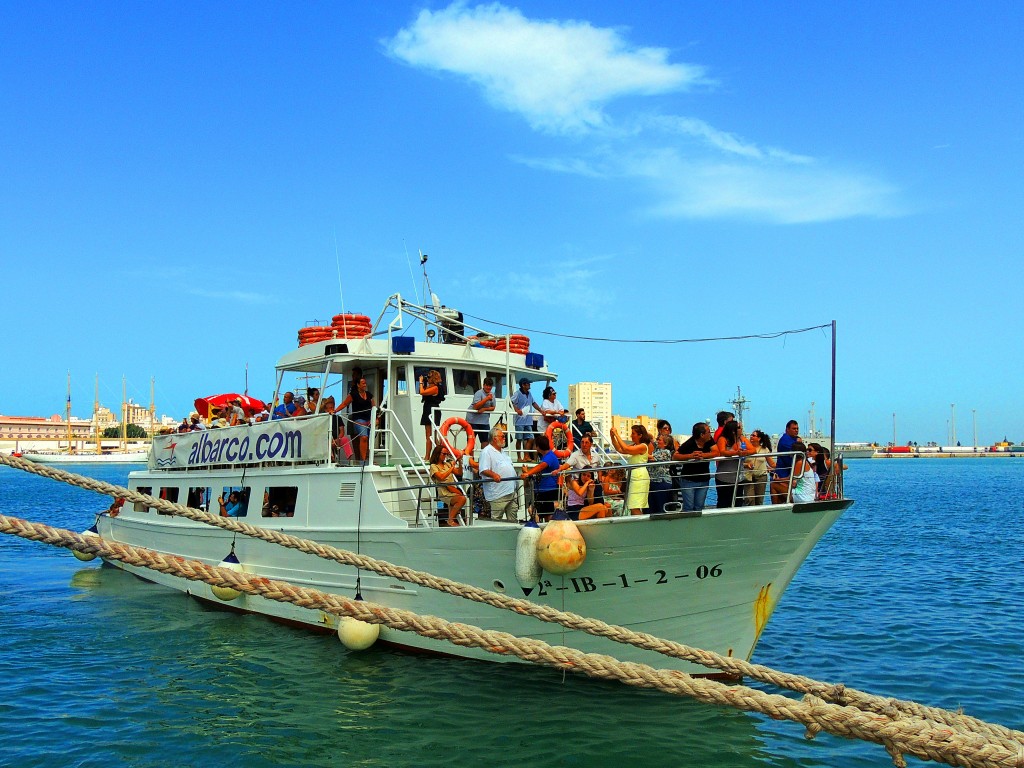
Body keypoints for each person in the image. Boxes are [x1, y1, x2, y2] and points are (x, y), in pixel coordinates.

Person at [478, 428, 519, 522]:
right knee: (496, 520)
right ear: (495, 438)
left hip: (511, 492)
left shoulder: (503, 452)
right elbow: (483, 469)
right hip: (498, 494)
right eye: (502, 436)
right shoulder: (486, 451)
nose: (504, 438)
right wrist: (494, 475)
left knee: (513, 519)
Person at [610, 424, 651, 515]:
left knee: (634, 506)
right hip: (634, 476)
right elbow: (620, 449)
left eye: (633, 433)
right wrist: (612, 436)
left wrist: (617, 434)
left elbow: (626, 448)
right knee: (633, 505)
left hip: (639, 477)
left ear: (640, 435)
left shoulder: (643, 446)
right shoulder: (636, 445)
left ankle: (641, 527)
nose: (631, 435)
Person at [713, 421, 756, 509]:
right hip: (724, 478)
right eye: (739, 428)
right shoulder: (723, 439)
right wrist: (736, 453)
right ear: (733, 430)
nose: (741, 429)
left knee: (738, 502)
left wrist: (745, 452)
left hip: (738, 478)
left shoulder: (741, 438)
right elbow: (722, 451)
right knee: (724, 502)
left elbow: (753, 450)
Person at [674, 422, 714, 512]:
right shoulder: (689, 443)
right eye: (708, 432)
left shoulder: (709, 440)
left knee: (699, 507)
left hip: (703, 479)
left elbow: (717, 452)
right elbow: (675, 456)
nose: (710, 434)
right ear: (702, 435)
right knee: (689, 507)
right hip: (689, 480)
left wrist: (703, 455)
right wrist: (690, 456)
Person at [520, 434, 561, 521]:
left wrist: (528, 473)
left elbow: (542, 466)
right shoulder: (546, 456)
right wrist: (528, 472)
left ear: (538, 447)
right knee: (534, 510)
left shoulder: (549, 456)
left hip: (548, 490)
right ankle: (539, 527)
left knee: (547, 515)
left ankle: (544, 530)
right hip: (541, 490)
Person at [337, 378, 375, 462]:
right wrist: (335, 411)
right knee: (364, 437)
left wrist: (376, 418)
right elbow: (344, 403)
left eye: (365, 383)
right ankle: (364, 460)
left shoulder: (369, 395)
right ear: (358, 385)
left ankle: (368, 459)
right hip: (359, 419)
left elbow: (374, 407)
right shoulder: (353, 394)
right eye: (362, 383)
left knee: (368, 438)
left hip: (369, 419)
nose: (365, 385)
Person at [429, 445, 466, 526]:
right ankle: (450, 519)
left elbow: (459, 473)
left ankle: (452, 517)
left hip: (452, 488)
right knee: (461, 499)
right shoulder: (433, 466)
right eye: (444, 454)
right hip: (444, 491)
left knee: (461, 499)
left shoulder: (447, 465)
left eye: (446, 454)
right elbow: (441, 477)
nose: (445, 456)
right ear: (438, 454)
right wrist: (451, 469)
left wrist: (459, 462)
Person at [563, 434, 602, 504]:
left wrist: (600, 480)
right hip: (581, 485)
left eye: (586, 442)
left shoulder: (596, 456)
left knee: (601, 505)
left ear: (591, 444)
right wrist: (559, 469)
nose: (584, 444)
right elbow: (567, 464)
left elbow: (599, 467)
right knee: (591, 507)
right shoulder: (575, 455)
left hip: (594, 483)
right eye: (582, 442)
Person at [742, 430, 775, 506]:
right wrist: (746, 464)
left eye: (753, 435)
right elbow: (740, 462)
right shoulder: (745, 448)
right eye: (751, 435)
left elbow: (772, 463)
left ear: (759, 438)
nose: (751, 437)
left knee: (759, 500)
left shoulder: (764, 449)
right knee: (749, 499)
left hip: (761, 477)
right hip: (748, 477)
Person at [511, 378, 541, 460]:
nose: (529, 385)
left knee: (530, 438)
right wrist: (517, 410)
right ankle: (519, 457)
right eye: (528, 384)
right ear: (523, 385)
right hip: (519, 420)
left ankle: (526, 456)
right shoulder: (517, 393)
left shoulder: (529, 393)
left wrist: (541, 411)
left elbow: (533, 403)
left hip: (528, 420)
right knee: (519, 439)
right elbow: (511, 402)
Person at [771, 420, 801, 503]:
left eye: (797, 428)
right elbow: (796, 449)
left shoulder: (793, 439)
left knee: (785, 500)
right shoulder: (785, 441)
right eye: (794, 428)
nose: (796, 430)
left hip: (788, 474)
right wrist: (799, 443)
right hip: (783, 474)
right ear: (787, 429)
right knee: (781, 499)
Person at [419, 369, 445, 461]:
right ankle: (433, 456)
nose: (428, 378)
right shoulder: (431, 387)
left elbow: (422, 392)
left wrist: (421, 383)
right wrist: (425, 383)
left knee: (430, 435)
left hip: (431, 410)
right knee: (430, 435)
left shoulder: (435, 388)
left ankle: (428, 456)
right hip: (428, 409)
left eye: (429, 377)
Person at [649, 432, 675, 515]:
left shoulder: (666, 452)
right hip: (653, 482)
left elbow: (651, 457)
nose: (657, 441)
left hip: (661, 482)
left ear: (665, 443)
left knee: (661, 507)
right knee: (652, 507)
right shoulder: (656, 450)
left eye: (659, 440)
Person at [466, 376, 496, 447]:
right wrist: (487, 398)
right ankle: (470, 457)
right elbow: (476, 406)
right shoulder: (478, 393)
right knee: (471, 441)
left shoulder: (492, 394)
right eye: (487, 385)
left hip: (484, 421)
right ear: (484, 385)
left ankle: (484, 457)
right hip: (473, 420)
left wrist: (484, 409)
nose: (489, 387)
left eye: (490, 386)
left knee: (485, 441)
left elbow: (493, 407)